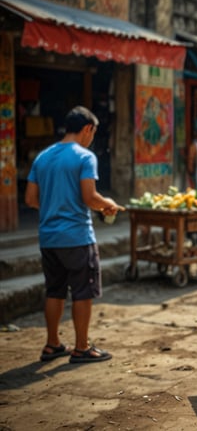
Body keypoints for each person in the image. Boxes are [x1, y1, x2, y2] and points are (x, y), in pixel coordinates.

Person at [25, 106, 124, 364]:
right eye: (93, 133)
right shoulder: (85, 157)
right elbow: (89, 197)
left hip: (48, 238)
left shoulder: (42, 157)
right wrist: (107, 203)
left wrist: (55, 204)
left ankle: (52, 344)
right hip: (77, 237)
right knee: (83, 292)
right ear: (87, 129)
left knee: (54, 290)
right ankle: (81, 348)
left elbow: (31, 199)